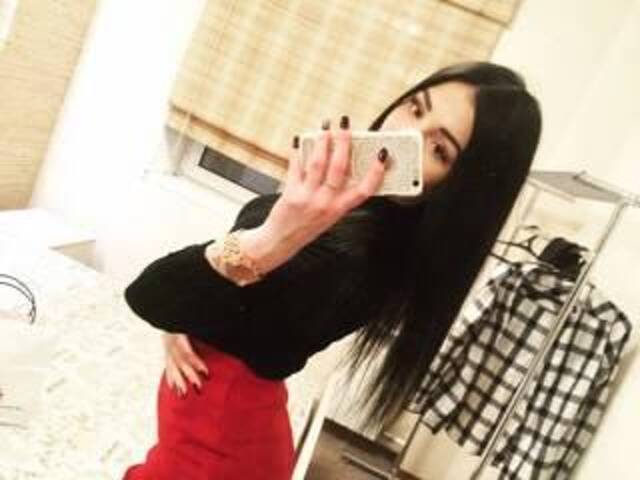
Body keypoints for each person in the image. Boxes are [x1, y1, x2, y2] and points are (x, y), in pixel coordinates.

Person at [122, 61, 542, 479]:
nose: (404, 137)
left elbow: (148, 295)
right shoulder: (350, 206)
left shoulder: (359, 260)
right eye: (415, 108)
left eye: (439, 150)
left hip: (217, 443)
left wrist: (261, 246)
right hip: (212, 417)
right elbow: (197, 297)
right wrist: (186, 312)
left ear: (460, 189)